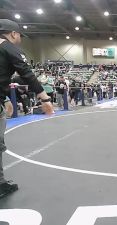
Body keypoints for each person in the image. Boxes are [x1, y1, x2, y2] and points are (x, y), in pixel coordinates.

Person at [0, 19, 54, 198]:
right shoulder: (8, 47)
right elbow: (26, 72)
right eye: (19, 35)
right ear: (13, 34)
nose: (20, 39)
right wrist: (44, 97)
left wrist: (6, 97)